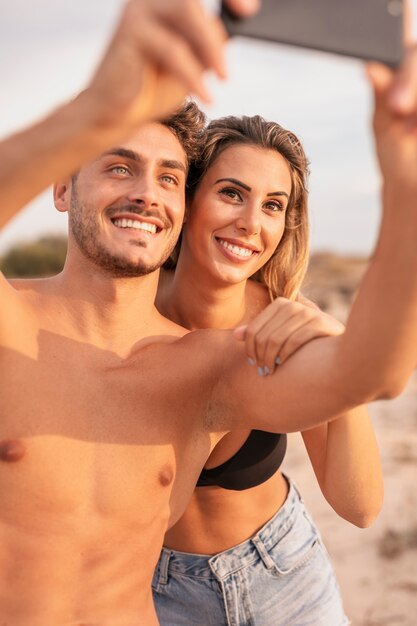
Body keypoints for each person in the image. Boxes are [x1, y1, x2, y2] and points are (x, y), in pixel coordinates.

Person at [2, 0, 417, 624]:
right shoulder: (10, 323)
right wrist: (95, 109)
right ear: (62, 189)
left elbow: (374, 374)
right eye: (119, 165)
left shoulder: (208, 364)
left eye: (169, 176)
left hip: (279, 569)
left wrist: (406, 189)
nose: (146, 191)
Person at [152, 114, 383, 626]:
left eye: (273, 206)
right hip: (156, 592)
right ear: (188, 200)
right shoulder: (130, 319)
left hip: (286, 572)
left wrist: (341, 358)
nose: (252, 223)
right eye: (232, 194)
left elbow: (360, 506)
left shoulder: (283, 324)